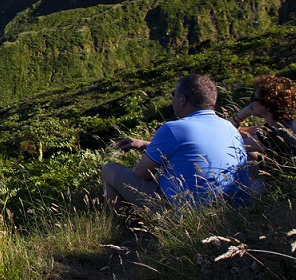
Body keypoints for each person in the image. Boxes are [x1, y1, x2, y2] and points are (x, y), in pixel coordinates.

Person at [102, 73, 251, 213]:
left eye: (173, 94)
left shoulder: (174, 128)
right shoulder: (230, 129)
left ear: (182, 100)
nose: (172, 100)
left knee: (109, 169)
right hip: (235, 211)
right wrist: (145, 144)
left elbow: (142, 173)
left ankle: (128, 229)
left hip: (188, 213)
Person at [231, 75, 296, 179]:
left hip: (290, 185)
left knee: (241, 155)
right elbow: (238, 134)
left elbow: (230, 142)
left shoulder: (276, 135)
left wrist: (240, 116)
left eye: (254, 98)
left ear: (266, 104)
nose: (251, 101)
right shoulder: (290, 127)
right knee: (250, 157)